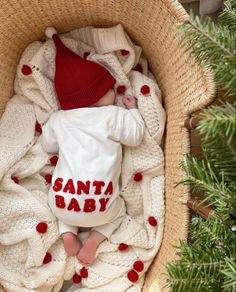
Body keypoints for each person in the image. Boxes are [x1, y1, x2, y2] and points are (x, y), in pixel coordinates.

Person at [41, 30, 145, 266]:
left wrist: (56, 129)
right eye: (108, 89)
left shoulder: (60, 119)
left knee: (62, 210)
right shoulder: (111, 116)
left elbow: (47, 145)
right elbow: (136, 136)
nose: (113, 92)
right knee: (118, 212)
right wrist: (134, 111)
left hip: (62, 201)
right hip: (100, 205)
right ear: (96, 94)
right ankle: (93, 241)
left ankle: (67, 232)